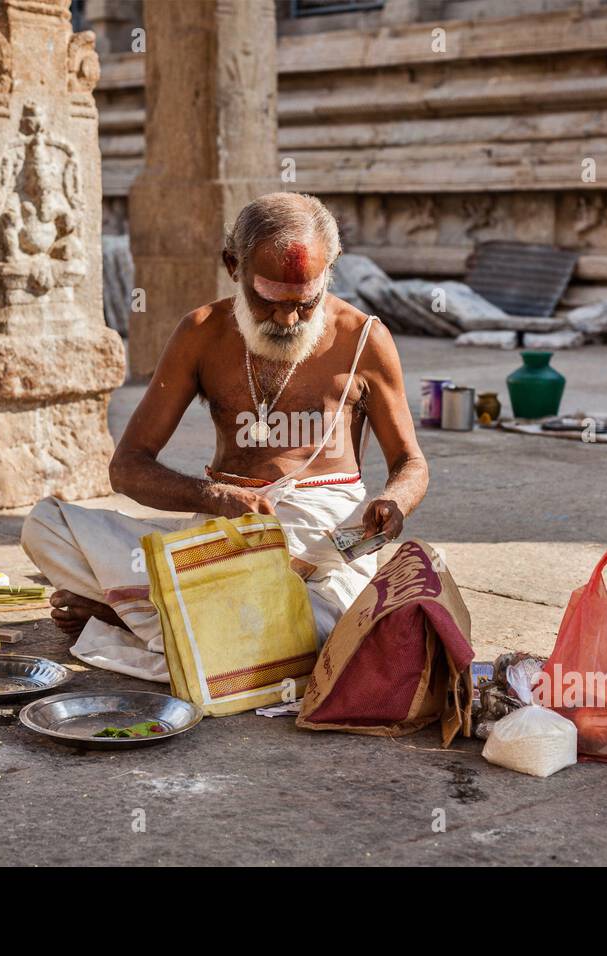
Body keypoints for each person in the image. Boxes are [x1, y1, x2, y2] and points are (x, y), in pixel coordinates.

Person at [21, 192, 428, 681]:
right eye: (269, 301)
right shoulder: (200, 333)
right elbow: (127, 467)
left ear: (331, 269)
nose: (288, 320)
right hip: (219, 537)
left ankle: (130, 614)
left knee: (329, 628)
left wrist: (394, 502)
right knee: (46, 528)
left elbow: (411, 462)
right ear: (232, 265)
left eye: (305, 302)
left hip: (321, 550)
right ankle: (182, 621)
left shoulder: (365, 338)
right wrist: (215, 497)